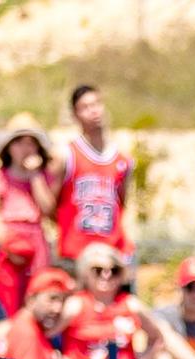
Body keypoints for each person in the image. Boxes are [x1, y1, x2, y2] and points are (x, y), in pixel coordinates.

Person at [59, 243, 153, 359]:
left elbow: (157, 339)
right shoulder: (76, 305)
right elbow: (46, 335)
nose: (106, 275)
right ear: (86, 273)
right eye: (98, 269)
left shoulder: (131, 305)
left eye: (114, 270)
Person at [0, 113, 58, 316]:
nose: (24, 149)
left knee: (38, 290)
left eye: (30, 143)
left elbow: (48, 208)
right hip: (10, 237)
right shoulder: (0, 175)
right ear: (9, 147)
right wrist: (4, 238)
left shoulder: (42, 177)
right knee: (7, 294)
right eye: (18, 142)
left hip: (35, 237)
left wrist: (35, 176)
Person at [55, 85, 134, 271]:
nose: (94, 110)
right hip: (76, 254)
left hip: (111, 253)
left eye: (97, 103)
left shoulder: (122, 159)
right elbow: (52, 204)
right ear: (75, 114)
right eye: (85, 107)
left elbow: (122, 203)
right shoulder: (67, 155)